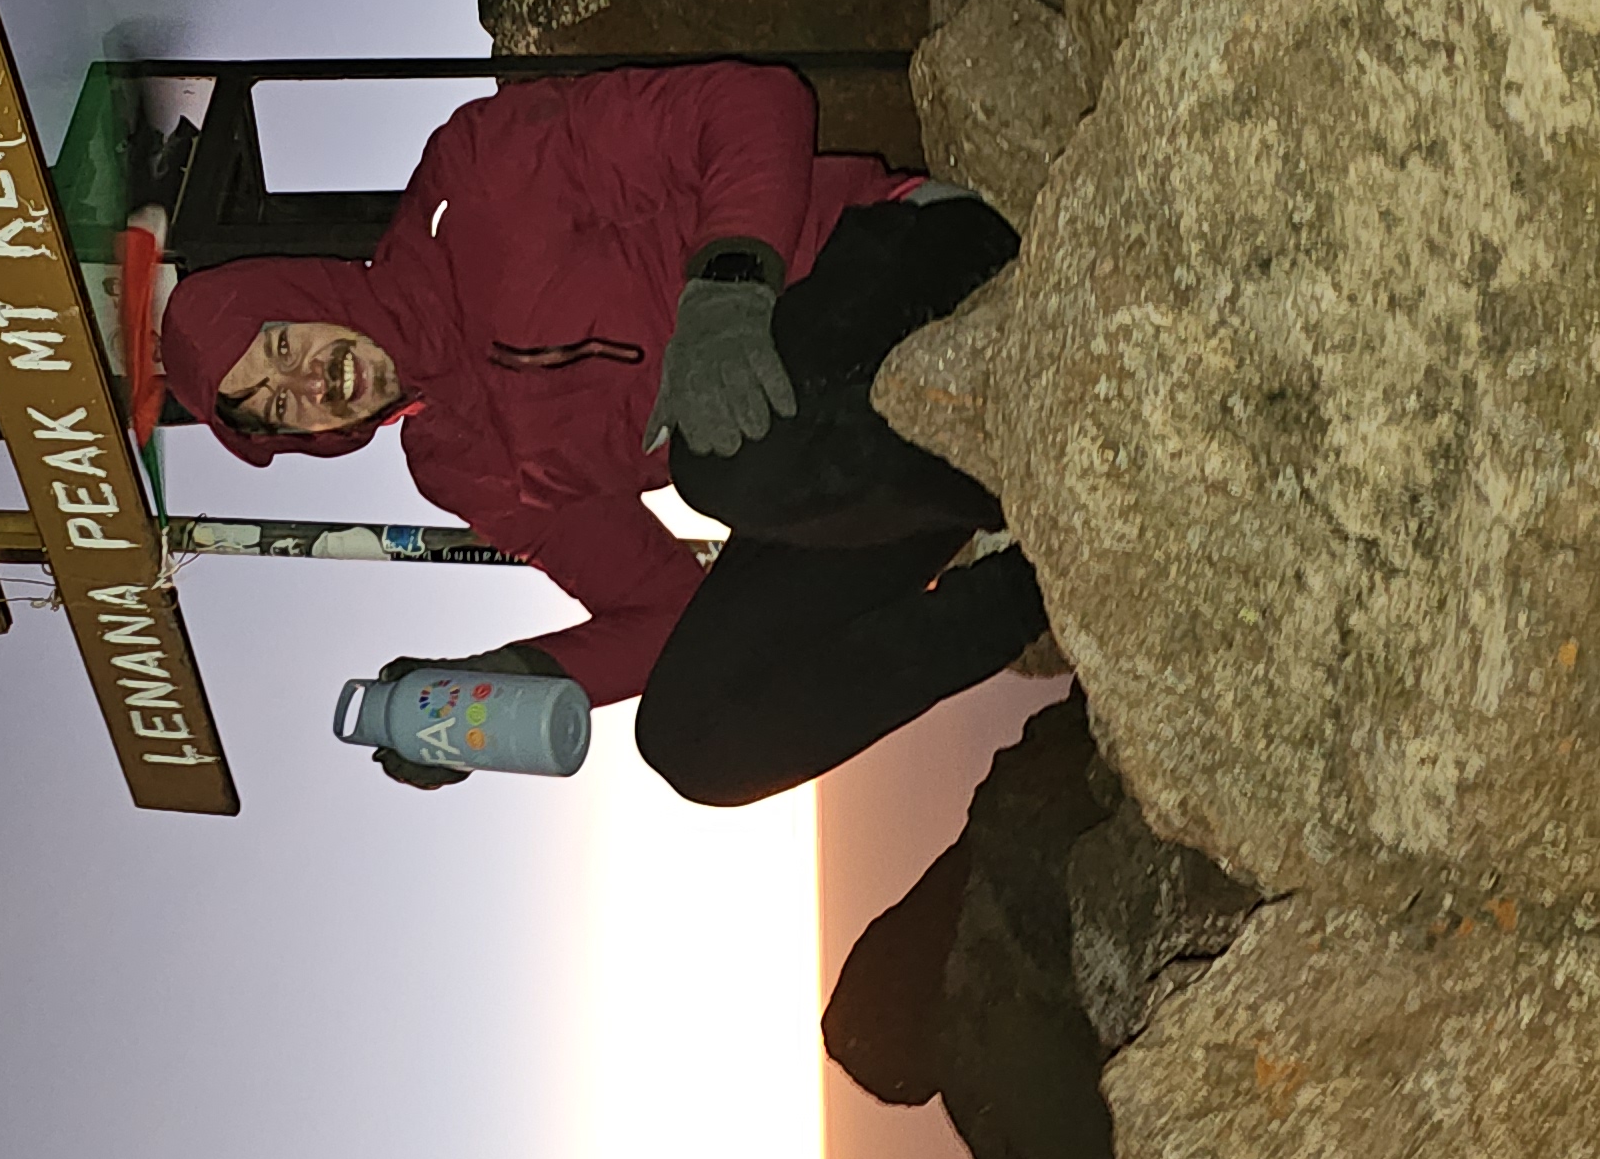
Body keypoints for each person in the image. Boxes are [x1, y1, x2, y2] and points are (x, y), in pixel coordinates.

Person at [155, 60, 1047, 805]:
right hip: (853, 470)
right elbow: (658, 613)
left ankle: (1033, 467)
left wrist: (727, 293)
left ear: (303, 294)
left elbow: (750, 102)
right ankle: (1038, 585)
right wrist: (509, 672)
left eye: (281, 345)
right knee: (694, 742)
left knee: (719, 464)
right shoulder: (458, 469)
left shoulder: (477, 179)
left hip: (899, 257)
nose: (311, 383)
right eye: (279, 408)